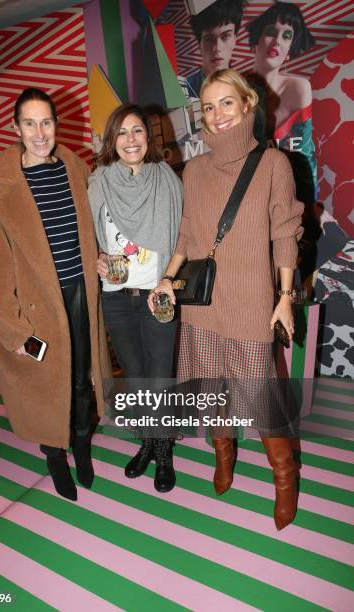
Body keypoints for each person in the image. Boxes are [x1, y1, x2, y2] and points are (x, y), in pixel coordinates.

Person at [149, 69, 304, 530]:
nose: (216, 115)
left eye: (226, 104)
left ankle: (284, 478)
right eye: (208, 108)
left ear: (247, 105)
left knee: (262, 401)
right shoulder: (194, 170)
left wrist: (284, 297)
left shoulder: (273, 164)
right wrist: (166, 280)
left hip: (252, 303)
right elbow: (188, 237)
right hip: (204, 306)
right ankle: (223, 455)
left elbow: (285, 235)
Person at [0, 88, 110, 501]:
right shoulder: (0, 190)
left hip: (80, 295)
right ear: (16, 128)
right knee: (52, 383)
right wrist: (15, 330)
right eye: (29, 123)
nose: (39, 132)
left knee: (83, 379)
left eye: (45, 122)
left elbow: (91, 228)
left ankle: (81, 443)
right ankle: (54, 454)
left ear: (56, 125)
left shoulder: (76, 170)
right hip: (37, 309)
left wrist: (100, 257)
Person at [88, 103, 182, 493]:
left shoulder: (168, 180)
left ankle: (163, 451)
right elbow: (88, 235)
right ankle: (146, 441)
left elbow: (183, 241)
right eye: (122, 132)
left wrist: (169, 281)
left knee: (160, 379)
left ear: (149, 136)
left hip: (157, 296)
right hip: (117, 297)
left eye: (138, 131)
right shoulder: (97, 182)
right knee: (138, 379)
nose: (130, 140)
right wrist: (95, 256)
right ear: (112, 139)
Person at [247, 1, 316, 204]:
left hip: (291, 194)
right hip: (249, 196)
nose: (277, 41)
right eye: (271, 31)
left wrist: (308, 206)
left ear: (289, 49)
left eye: (286, 36)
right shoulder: (235, 89)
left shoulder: (299, 89)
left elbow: (305, 157)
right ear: (256, 39)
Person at [187, 0, 246, 98]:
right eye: (209, 39)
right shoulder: (183, 91)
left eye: (225, 36)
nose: (217, 48)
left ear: (235, 38)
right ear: (199, 43)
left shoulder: (249, 89)